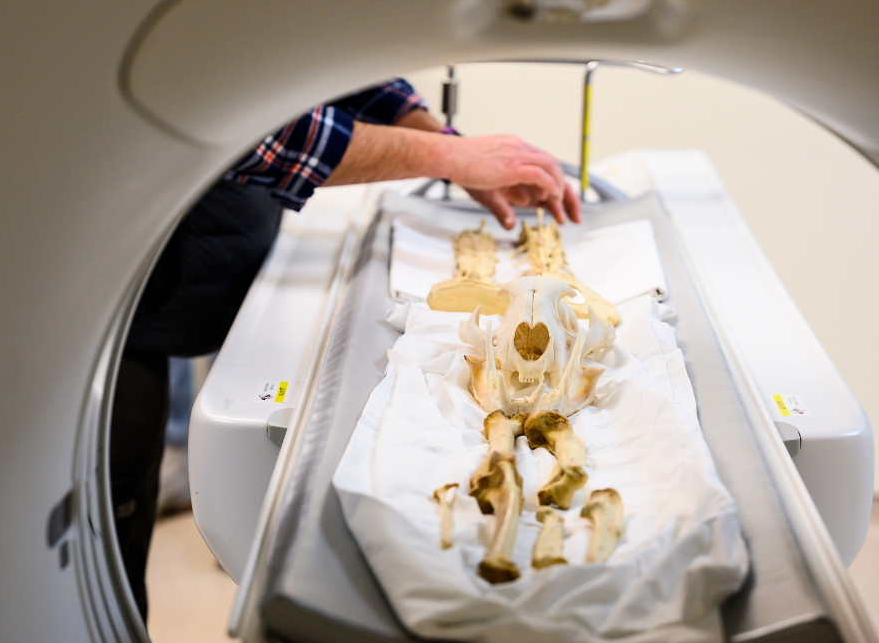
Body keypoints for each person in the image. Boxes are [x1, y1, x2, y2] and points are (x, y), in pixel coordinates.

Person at [109, 77, 581, 619]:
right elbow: (250, 130)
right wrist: (448, 154)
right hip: (104, 278)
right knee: (109, 497)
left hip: (208, 254)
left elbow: (338, 71)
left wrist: (445, 146)